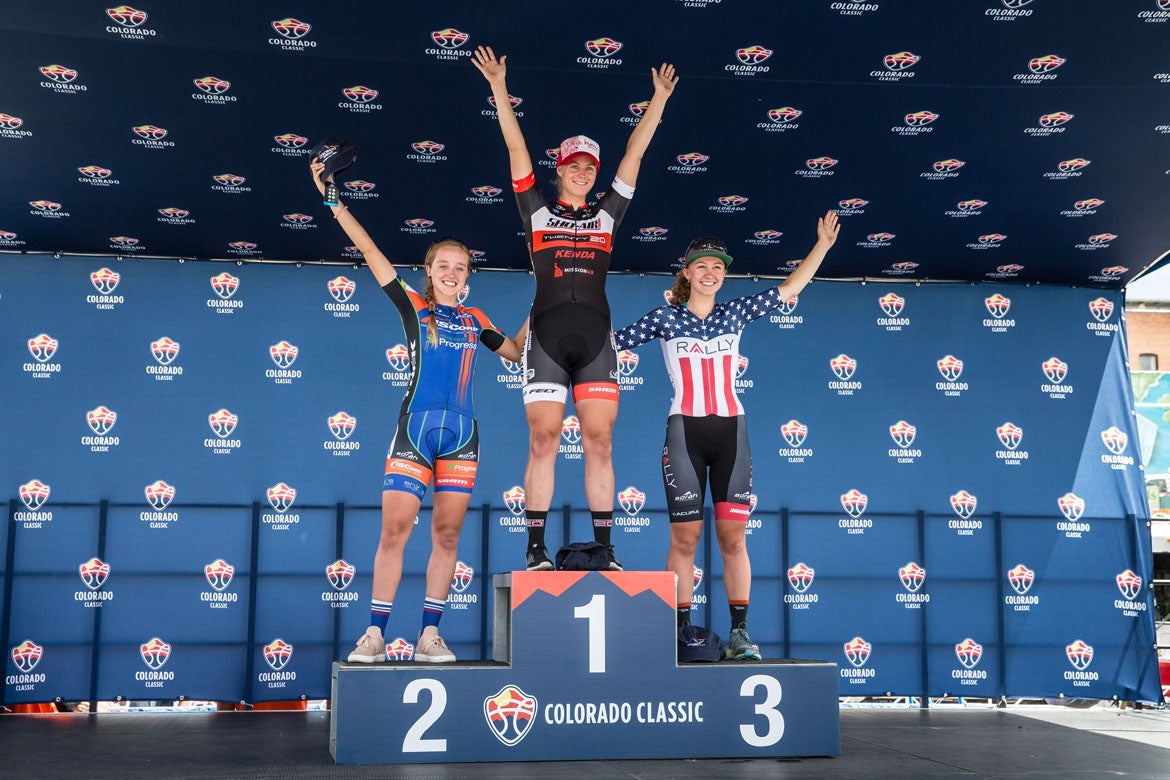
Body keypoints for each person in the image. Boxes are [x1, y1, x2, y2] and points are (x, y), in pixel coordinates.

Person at [473, 45, 678, 572]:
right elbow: (514, 146)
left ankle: (605, 550)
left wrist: (657, 100)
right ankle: (536, 550)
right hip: (545, 336)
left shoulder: (608, 214)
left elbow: (634, 155)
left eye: (589, 166)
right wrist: (498, 86)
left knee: (600, 442)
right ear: (559, 170)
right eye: (573, 166)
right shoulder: (535, 210)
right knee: (543, 440)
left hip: (595, 340)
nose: (582, 172)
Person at [310, 159, 523, 663]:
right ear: (428, 271)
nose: (451, 273)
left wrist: (546, 302)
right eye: (443, 265)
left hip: (462, 436)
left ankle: (429, 636)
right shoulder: (413, 305)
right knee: (393, 532)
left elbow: (515, 353)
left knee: (447, 535)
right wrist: (333, 201)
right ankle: (375, 634)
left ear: (468, 276)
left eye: (460, 267)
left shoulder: (476, 318)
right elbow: (370, 251)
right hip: (415, 431)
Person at [614, 213, 840, 660]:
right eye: (701, 265)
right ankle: (679, 632)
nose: (710, 273)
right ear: (686, 273)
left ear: (724, 275)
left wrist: (823, 246)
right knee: (685, 541)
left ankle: (740, 634)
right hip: (684, 432)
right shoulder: (664, 318)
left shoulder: (735, 313)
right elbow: (609, 343)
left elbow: (790, 288)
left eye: (718, 267)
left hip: (732, 432)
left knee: (734, 540)